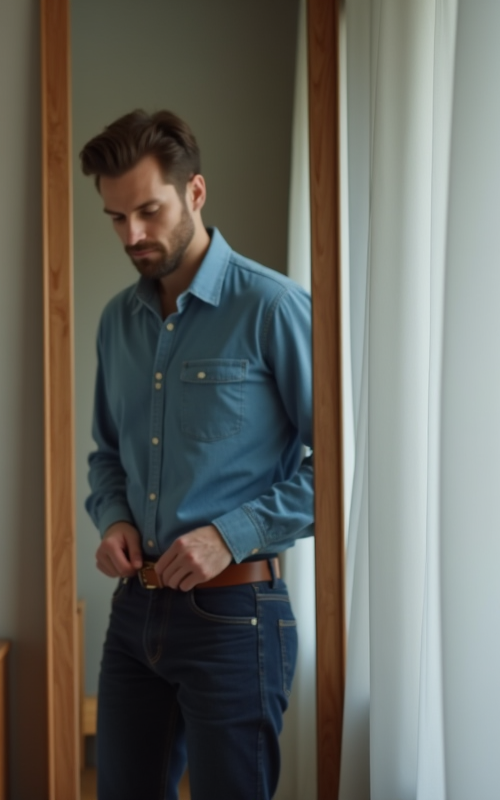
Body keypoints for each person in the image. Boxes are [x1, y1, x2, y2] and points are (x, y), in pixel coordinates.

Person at [81, 110, 313, 800]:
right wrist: (114, 519)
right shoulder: (116, 320)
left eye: (148, 212)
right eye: (116, 218)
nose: (132, 235)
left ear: (196, 193)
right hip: (135, 614)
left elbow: (338, 472)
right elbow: (106, 455)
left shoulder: (273, 307)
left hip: (236, 620)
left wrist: (227, 537)